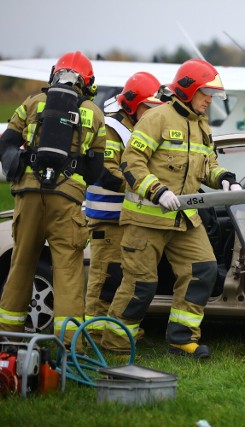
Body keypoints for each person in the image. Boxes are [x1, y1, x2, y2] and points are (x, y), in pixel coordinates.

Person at [100, 59, 242, 358]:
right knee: (140, 285)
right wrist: (157, 190)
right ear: (189, 90)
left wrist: (226, 179)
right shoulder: (157, 118)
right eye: (206, 93)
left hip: (184, 219)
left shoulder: (201, 125)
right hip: (146, 220)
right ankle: (116, 346)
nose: (210, 100)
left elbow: (208, 166)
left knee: (202, 270)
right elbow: (130, 162)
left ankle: (182, 339)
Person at [0, 52, 106, 350]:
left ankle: (9, 341)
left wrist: (22, 168)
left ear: (54, 74)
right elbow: (97, 169)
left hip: (29, 195)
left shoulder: (32, 103)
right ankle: (70, 349)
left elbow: (6, 143)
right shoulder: (94, 114)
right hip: (67, 201)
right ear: (88, 83)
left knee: (21, 264)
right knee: (68, 271)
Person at [84, 72, 162, 340]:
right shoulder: (111, 129)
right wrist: (144, 189)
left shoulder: (133, 128)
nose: (150, 113)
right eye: (147, 107)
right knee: (105, 279)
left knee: (121, 276)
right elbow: (107, 173)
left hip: (124, 217)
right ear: (132, 104)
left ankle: (113, 332)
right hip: (107, 218)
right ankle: (95, 336)